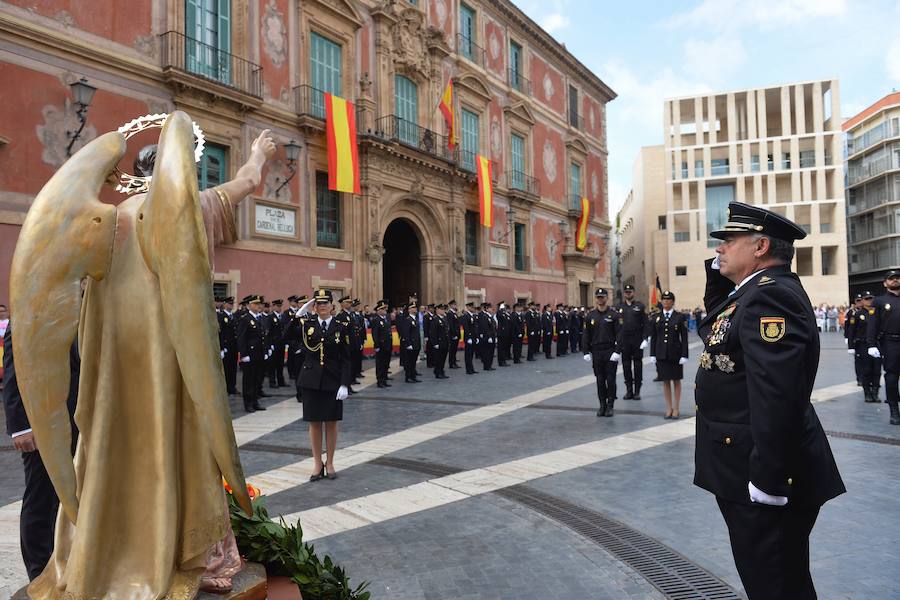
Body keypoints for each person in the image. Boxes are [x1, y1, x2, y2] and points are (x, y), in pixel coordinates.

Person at [694, 201, 845, 599]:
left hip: (761, 474)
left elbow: (776, 396)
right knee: (775, 581)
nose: (719, 248)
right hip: (745, 464)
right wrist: (719, 272)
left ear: (760, 246)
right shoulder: (755, 293)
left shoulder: (770, 297)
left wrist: (768, 478)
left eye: (729, 240)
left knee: (776, 586)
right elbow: (717, 328)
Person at [4, 322, 79, 580]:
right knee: (42, 498)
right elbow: (15, 372)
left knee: (74, 499)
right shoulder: (30, 311)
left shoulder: (86, 310)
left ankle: (70, 564)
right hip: (43, 427)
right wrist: (21, 427)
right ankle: (38, 573)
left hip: (80, 424)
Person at [297, 289, 351, 481]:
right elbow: (284, 336)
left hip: (332, 381)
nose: (322, 307)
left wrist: (345, 384)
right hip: (311, 381)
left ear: (332, 305)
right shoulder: (307, 324)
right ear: (314, 306)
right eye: (318, 304)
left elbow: (346, 358)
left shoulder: (341, 326)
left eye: (325, 303)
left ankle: (330, 462)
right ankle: (317, 463)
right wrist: (299, 314)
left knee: (331, 423)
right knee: (314, 423)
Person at [866, 269, 900, 425]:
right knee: (891, 377)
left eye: (897, 278)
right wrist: (871, 344)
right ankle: (894, 411)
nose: (895, 281)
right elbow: (872, 325)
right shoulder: (879, 301)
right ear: (885, 283)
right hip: (890, 342)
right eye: (891, 279)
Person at [582, 288, 622, 417]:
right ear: (596, 299)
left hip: (610, 351)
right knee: (599, 380)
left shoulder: (614, 315)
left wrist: (617, 351)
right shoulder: (590, 316)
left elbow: (620, 334)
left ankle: (610, 405)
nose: (600, 299)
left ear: (607, 298)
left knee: (610, 379)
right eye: (598, 297)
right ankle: (602, 405)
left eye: (602, 297)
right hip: (597, 351)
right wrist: (586, 351)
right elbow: (586, 334)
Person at [649, 291, 689, 418]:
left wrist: (684, 354)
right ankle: (668, 408)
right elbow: (654, 337)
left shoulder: (679, 317)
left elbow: (684, 337)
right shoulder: (656, 317)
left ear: (673, 301)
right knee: (665, 381)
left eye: (668, 299)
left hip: (675, 353)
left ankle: (676, 408)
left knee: (676, 381)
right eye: (664, 299)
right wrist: (652, 354)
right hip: (661, 353)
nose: (666, 301)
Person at [236, 295, 271, 413]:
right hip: (249, 355)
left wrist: (265, 351)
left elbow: (263, 337)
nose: (258, 306)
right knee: (248, 380)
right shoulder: (245, 318)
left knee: (257, 379)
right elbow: (241, 338)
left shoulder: (259, 318)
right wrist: (244, 354)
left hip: (259, 354)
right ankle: (248, 403)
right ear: (250, 305)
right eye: (255, 304)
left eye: (259, 304)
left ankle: (255, 401)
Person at [616, 284, 649, 400]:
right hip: (624, 341)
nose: (628, 293)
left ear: (634, 292)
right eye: (626, 292)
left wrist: (645, 338)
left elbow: (645, 323)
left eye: (630, 292)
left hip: (637, 340)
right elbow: (617, 327)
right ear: (624, 293)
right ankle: (629, 390)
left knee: (638, 365)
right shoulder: (619, 307)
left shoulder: (640, 306)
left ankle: (637, 391)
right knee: (626, 366)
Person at [849, 292, 881, 403]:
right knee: (866, 370)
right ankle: (867, 393)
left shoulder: (877, 313)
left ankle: (875, 393)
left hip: (876, 344)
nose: (869, 301)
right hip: (862, 344)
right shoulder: (858, 314)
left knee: (877, 370)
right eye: (866, 299)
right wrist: (851, 346)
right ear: (862, 301)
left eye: (871, 298)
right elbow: (851, 331)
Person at [217, 296, 238, 395]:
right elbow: (220, 333)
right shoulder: (221, 316)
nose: (231, 305)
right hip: (226, 347)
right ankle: (225, 388)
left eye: (232, 303)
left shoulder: (233, 316)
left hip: (233, 347)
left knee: (233, 368)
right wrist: (222, 347)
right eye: (229, 303)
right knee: (226, 369)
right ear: (224, 304)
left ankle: (232, 387)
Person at [398, 303, 422, 383]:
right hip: (411, 344)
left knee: (413, 362)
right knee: (409, 362)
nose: (415, 309)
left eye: (415, 307)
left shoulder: (415, 319)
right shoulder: (407, 320)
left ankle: (413, 376)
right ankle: (408, 377)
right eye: (413, 308)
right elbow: (406, 333)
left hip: (416, 344)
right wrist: (408, 344)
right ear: (409, 310)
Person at [371, 300, 392, 387]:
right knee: (380, 364)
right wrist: (376, 345)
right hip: (381, 345)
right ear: (378, 310)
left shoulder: (385, 319)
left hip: (387, 345)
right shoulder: (376, 320)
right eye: (382, 309)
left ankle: (384, 379)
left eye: (385, 309)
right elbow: (375, 334)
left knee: (386, 363)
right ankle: (380, 381)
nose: (384, 311)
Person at [267, 299, 287, 388]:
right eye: (278, 306)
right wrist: (270, 344)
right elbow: (268, 332)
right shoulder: (270, 317)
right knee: (272, 365)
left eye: (280, 306)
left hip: (281, 344)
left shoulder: (281, 316)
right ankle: (272, 382)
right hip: (274, 344)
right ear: (273, 306)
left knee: (280, 364)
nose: (279, 308)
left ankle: (281, 381)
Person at [844, 294, 863, 386]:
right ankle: (859, 378)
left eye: (861, 300)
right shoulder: (852, 313)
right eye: (857, 301)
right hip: (856, 339)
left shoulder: (868, 311)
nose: (859, 303)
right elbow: (848, 326)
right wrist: (847, 337)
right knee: (858, 361)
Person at [429, 304, 450, 379]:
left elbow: (447, 330)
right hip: (439, 342)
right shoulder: (435, 319)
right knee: (438, 359)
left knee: (443, 358)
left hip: (445, 342)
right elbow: (433, 332)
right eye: (441, 309)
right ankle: (438, 372)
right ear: (437, 310)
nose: (443, 310)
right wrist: (435, 343)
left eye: (444, 309)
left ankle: (441, 370)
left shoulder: (444, 318)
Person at [478, 302, 497, 370]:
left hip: (492, 336)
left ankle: (490, 365)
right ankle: (486, 366)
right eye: (490, 308)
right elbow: (485, 328)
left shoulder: (489, 316)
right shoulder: (484, 316)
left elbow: (493, 327)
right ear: (486, 309)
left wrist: (495, 336)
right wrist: (489, 337)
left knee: (491, 352)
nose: (492, 309)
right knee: (487, 352)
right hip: (488, 337)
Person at [461, 301, 479, 374]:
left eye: (473, 307)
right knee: (468, 354)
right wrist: (469, 338)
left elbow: (475, 327)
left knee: (471, 354)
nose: (473, 308)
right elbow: (466, 327)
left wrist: (477, 337)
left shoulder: (473, 316)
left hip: (474, 337)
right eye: (471, 307)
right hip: (469, 338)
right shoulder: (466, 316)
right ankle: (468, 369)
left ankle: (471, 368)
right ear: (468, 307)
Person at [446, 299, 461, 369]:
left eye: (455, 304)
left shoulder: (454, 313)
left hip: (456, 334)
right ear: (451, 305)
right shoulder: (449, 313)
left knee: (455, 350)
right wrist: (454, 334)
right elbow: (451, 325)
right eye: (454, 304)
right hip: (453, 335)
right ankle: (451, 363)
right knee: (452, 350)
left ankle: (454, 362)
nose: (455, 305)